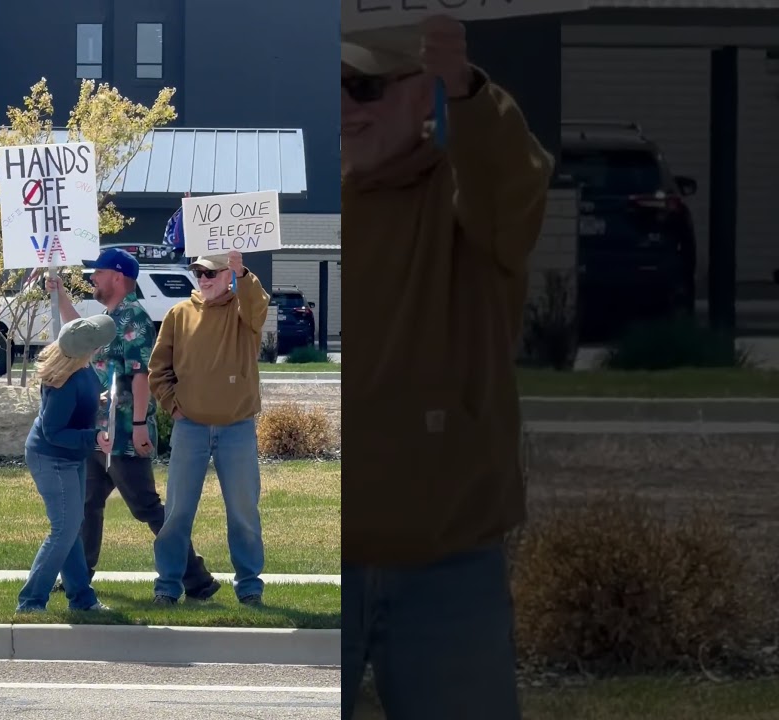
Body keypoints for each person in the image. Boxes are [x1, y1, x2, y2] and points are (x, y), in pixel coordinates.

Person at [341, 16, 553, 720]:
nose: (344, 106)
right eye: (332, 85)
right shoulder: (294, 204)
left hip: (445, 565)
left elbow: (512, 183)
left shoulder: (466, 204)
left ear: (419, 92)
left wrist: (468, 90)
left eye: (364, 87)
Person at [47, 248, 221, 601]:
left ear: (117, 276)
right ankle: (79, 577)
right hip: (100, 433)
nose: (92, 277)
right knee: (86, 505)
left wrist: (140, 424)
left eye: (98, 272)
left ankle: (197, 579)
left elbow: (142, 376)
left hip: (125, 434)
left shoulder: (134, 318)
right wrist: (59, 293)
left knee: (146, 508)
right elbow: (76, 332)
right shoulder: (109, 317)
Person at [147, 250, 268, 606]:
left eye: (211, 273)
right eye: (199, 273)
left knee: (243, 511)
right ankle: (167, 586)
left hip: (237, 429)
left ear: (228, 275)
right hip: (192, 429)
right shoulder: (178, 314)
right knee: (177, 512)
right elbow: (159, 369)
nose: (203, 279)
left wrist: (242, 273)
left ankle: (249, 588)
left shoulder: (244, 312)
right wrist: (173, 405)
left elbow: (258, 305)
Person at [18, 314, 120, 613]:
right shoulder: (65, 382)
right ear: (88, 347)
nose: (103, 344)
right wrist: (95, 438)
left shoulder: (81, 368)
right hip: (52, 459)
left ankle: (82, 599)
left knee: (71, 525)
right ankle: (31, 602)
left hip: (70, 459)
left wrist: (100, 401)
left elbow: (80, 402)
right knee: (63, 529)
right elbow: (54, 432)